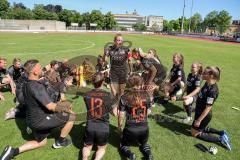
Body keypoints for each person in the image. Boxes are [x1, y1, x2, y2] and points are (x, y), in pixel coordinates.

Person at [0, 59, 76, 160]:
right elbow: (51, 106)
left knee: (42, 142)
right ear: (35, 72)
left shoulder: (27, 84)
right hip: (40, 121)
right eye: (40, 68)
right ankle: (61, 141)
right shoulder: (37, 87)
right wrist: (66, 106)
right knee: (72, 116)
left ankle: (12, 151)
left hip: (31, 120)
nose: (42, 69)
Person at [191, 66, 232, 150]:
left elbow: (208, 108)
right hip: (199, 111)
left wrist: (199, 120)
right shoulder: (207, 83)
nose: (202, 74)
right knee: (195, 129)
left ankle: (220, 139)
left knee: (194, 133)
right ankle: (221, 132)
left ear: (211, 76)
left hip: (204, 115)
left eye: (205, 73)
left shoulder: (213, 91)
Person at [82, 72, 116, 160]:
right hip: (103, 127)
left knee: (87, 147)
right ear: (103, 81)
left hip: (90, 126)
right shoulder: (108, 95)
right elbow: (114, 114)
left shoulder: (86, 95)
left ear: (93, 82)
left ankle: (84, 158)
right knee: (101, 148)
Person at [118, 74, 153, 160]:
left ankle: (130, 155)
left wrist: (119, 128)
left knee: (123, 145)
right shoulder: (147, 95)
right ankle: (148, 155)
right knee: (144, 144)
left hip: (130, 130)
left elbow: (121, 115)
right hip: (144, 129)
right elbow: (148, 111)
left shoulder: (124, 97)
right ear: (141, 84)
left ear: (129, 84)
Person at [103, 34, 131, 102]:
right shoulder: (109, 48)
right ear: (114, 41)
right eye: (118, 40)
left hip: (123, 72)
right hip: (113, 72)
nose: (120, 42)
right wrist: (104, 54)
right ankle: (116, 103)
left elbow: (130, 60)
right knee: (114, 91)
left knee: (121, 91)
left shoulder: (127, 49)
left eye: (121, 40)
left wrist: (131, 71)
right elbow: (105, 60)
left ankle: (120, 103)